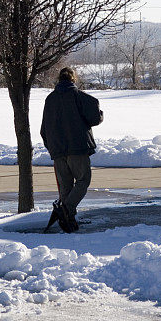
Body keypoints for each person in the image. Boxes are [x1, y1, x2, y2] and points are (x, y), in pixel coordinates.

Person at [40, 66, 103, 232]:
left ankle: (68, 220)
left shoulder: (50, 99)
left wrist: (52, 147)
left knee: (66, 186)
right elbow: (95, 117)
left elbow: (44, 129)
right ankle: (66, 210)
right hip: (78, 148)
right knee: (83, 180)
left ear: (59, 80)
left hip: (58, 151)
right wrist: (101, 115)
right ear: (73, 79)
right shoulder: (79, 96)